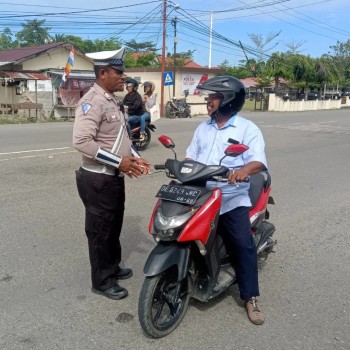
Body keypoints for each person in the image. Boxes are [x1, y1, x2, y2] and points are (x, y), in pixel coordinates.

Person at [185, 75, 267, 325]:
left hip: (231, 197)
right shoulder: (203, 127)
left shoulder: (246, 129)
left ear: (228, 101)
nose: (208, 101)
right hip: (201, 194)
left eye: (213, 97)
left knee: (243, 245)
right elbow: (191, 157)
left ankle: (250, 296)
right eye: (208, 96)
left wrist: (243, 171)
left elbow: (258, 161)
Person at [73, 47, 151, 300]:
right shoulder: (91, 101)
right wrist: (120, 162)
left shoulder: (112, 99)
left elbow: (120, 137)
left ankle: (113, 267)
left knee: (113, 224)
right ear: (103, 72)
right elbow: (82, 141)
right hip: (97, 178)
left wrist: (136, 159)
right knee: (99, 230)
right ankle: (102, 280)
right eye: (118, 73)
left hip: (112, 176)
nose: (123, 78)